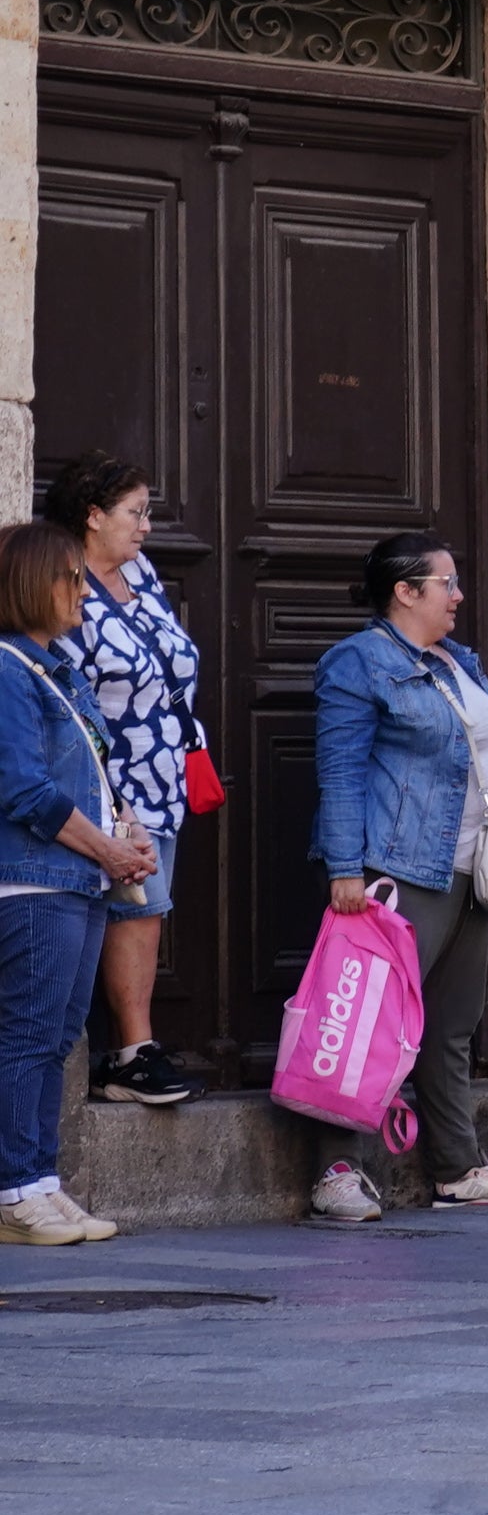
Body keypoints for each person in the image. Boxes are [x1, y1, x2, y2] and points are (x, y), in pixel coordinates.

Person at [306, 535, 488, 1223]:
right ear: (405, 591)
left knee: (451, 1024)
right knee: (366, 1025)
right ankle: (337, 1170)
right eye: (446, 582)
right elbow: (341, 770)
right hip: (399, 866)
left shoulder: (457, 661)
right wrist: (345, 867)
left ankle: (458, 1166)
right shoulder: (358, 661)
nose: (458, 594)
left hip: (471, 868)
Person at [0, 519, 153, 1244]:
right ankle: (11, 1188)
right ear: (31, 581)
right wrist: (108, 850)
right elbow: (22, 788)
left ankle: (40, 1180)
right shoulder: (5, 666)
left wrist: (129, 831)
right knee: (27, 1036)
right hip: (34, 882)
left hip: (79, 877)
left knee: (56, 1038)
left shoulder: (52, 666)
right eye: (70, 577)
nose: (82, 591)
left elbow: (93, 768)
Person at [42, 453, 204, 1109]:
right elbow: (64, 686)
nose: (145, 526)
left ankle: (135, 1050)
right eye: (134, 512)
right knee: (127, 908)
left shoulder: (141, 572)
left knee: (148, 909)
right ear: (92, 515)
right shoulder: (59, 579)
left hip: (161, 772)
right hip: (106, 776)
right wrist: (107, 788)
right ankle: (129, 1052)